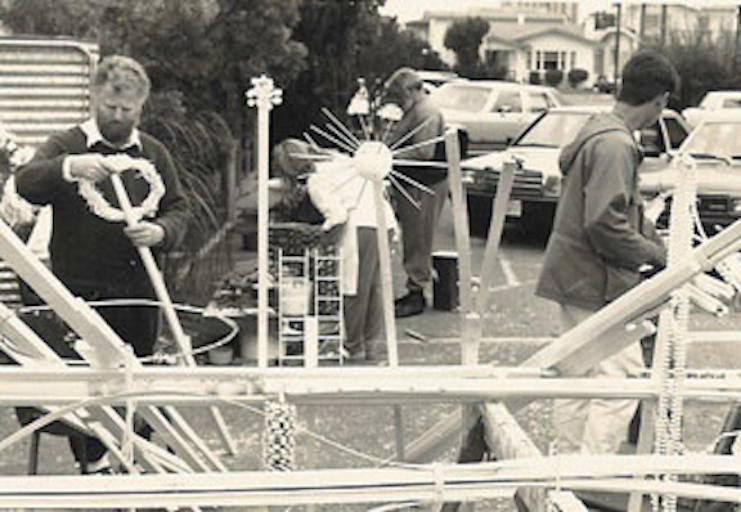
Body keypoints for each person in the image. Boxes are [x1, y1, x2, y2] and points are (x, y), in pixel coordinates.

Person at [16, 55, 190, 472]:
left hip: (139, 292)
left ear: (141, 106)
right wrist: (68, 168)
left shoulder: (152, 153)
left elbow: (180, 208)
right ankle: (93, 466)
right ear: (94, 96)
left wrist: (161, 231)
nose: (117, 116)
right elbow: (26, 182)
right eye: (110, 107)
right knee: (90, 383)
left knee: (137, 377)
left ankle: (134, 459)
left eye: (127, 110)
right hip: (81, 294)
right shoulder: (68, 145)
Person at [534, 51, 678, 455]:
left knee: (577, 373)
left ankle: (564, 467)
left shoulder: (598, 130)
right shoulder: (616, 145)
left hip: (573, 275)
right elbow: (604, 221)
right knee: (623, 377)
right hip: (593, 280)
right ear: (660, 101)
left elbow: (619, 209)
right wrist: (652, 254)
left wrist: (650, 237)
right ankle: (588, 473)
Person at [384, 67, 447, 318]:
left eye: (398, 95)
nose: (398, 101)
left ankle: (417, 290)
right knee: (414, 235)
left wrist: (389, 156)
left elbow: (423, 152)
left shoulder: (426, 112)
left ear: (411, 90)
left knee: (419, 237)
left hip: (423, 184)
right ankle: (415, 286)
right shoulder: (419, 110)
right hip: (415, 183)